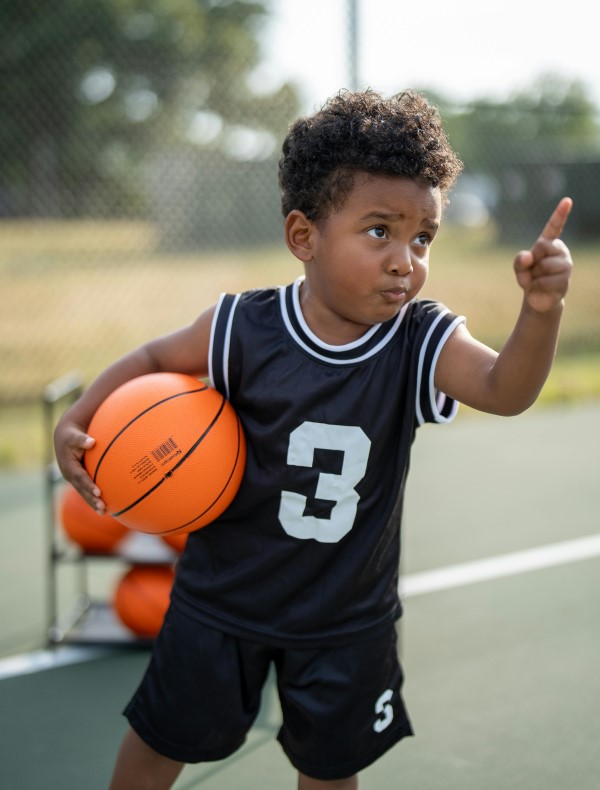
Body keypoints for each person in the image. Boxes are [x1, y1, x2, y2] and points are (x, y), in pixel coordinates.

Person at [54, 89, 573, 790]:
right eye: (379, 231)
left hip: (344, 619)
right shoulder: (243, 327)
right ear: (304, 237)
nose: (405, 260)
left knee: (329, 772)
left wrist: (540, 312)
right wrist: (78, 418)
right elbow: (151, 360)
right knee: (157, 743)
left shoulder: (420, 337)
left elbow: (506, 391)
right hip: (221, 602)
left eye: (423, 237)